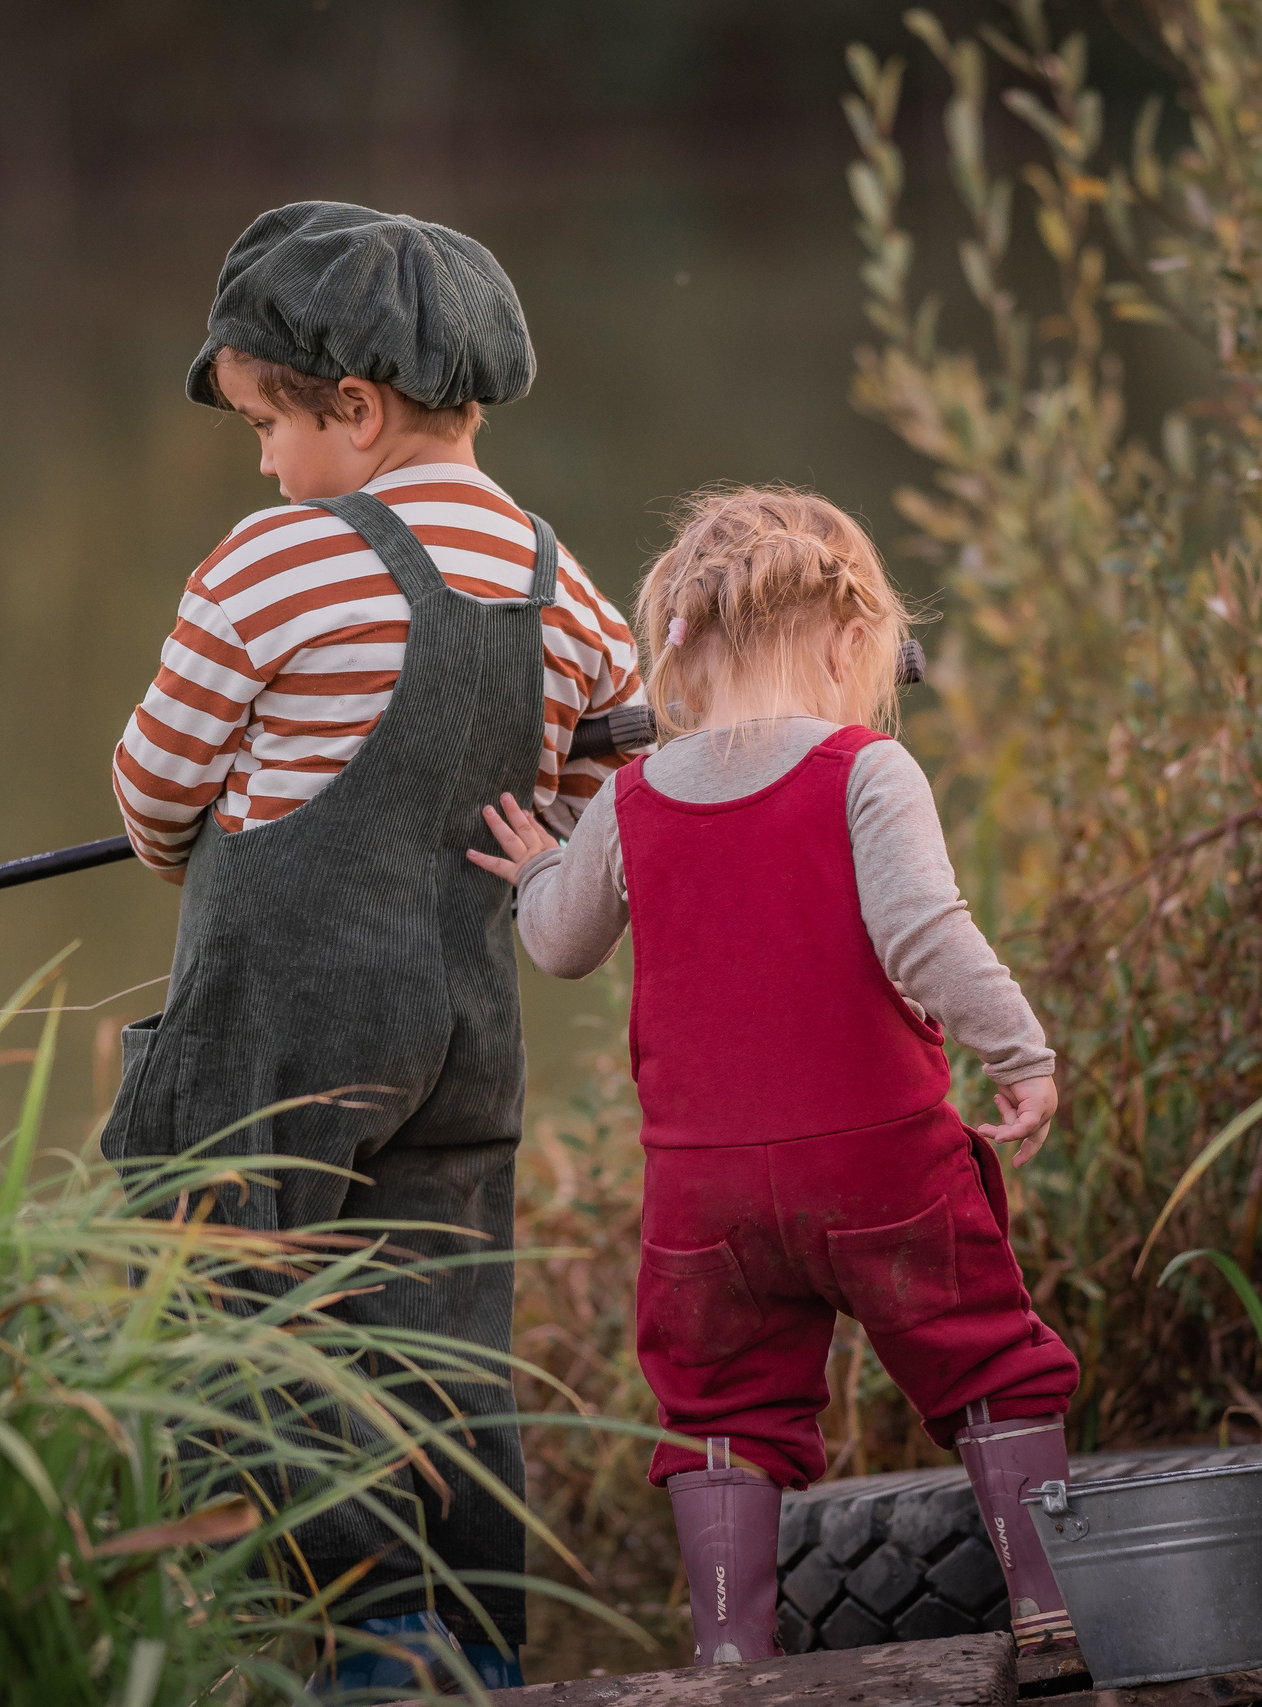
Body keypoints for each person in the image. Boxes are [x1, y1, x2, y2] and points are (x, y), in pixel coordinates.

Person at [103, 200, 641, 1693]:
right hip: (463, 1034)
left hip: (282, 1035)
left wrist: (223, 825)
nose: (263, 464)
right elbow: (603, 784)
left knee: (228, 1297)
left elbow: (152, 792)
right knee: (442, 1337)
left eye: (266, 426)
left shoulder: (269, 564)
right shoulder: (552, 574)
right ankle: (481, 1642)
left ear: (353, 408)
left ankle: (376, 1637)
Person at [469, 486, 1083, 1665]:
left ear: (680, 650)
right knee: (984, 1355)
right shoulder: (865, 769)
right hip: (881, 1162)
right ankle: (1049, 1612)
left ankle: (730, 1661)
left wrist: (544, 865)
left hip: (704, 1202)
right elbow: (926, 935)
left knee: (720, 1407)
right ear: (850, 641)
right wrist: (1019, 1054)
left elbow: (559, 944)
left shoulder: (632, 796)